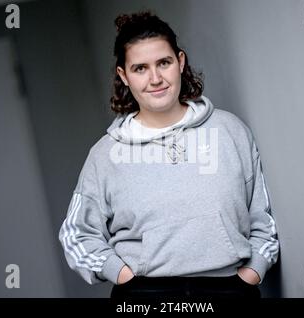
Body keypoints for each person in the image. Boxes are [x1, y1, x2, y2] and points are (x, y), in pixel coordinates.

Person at [58, 11, 279, 299]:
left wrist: (253, 272)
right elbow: (77, 235)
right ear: (124, 76)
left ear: (180, 62)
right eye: (140, 68)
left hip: (229, 289)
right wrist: (125, 277)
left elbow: (262, 217)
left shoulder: (229, 130)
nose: (155, 78)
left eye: (164, 63)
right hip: (146, 294)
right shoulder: (105, 155)